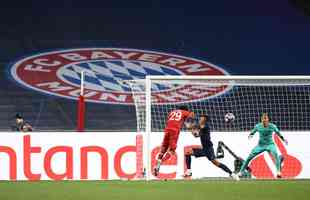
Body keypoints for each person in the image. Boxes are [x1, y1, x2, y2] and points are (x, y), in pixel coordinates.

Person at [184, 114, 239, 180]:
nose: (200, 118)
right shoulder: (201, 127)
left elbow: (196, 131)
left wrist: (190, 127)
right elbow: (196, 135)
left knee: (217, 163)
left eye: (201, 118)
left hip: (209, 149)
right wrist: (191, 129)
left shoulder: (206, 126)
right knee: (187, 153)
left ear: (204, 119)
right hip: (204, 148)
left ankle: (232, 174)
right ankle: (189, 171)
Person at [237, 113, 288, 178]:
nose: (264, 120)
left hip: (270, 144)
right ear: (261, 120)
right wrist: (250, 135)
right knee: (249, 157)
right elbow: (252, 132)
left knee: (275, 154)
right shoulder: (258, 126)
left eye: (265, 119)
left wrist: (283, 139)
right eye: (263, 119)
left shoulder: (272, 126)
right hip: (260, 145)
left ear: (268, 120)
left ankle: (278, 172)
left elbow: (278, 133)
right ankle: (241, 172)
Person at [154, 105, 194, 176]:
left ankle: (157, 163)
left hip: (167, 130)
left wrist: (183, 121)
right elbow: (192, 115)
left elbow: (172, 120)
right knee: (172, 150)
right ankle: (160, 163)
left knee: (163, 149)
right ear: (185, 110)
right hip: (174, 131)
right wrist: (190, 123)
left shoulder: (172, 112)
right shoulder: (184, 112)